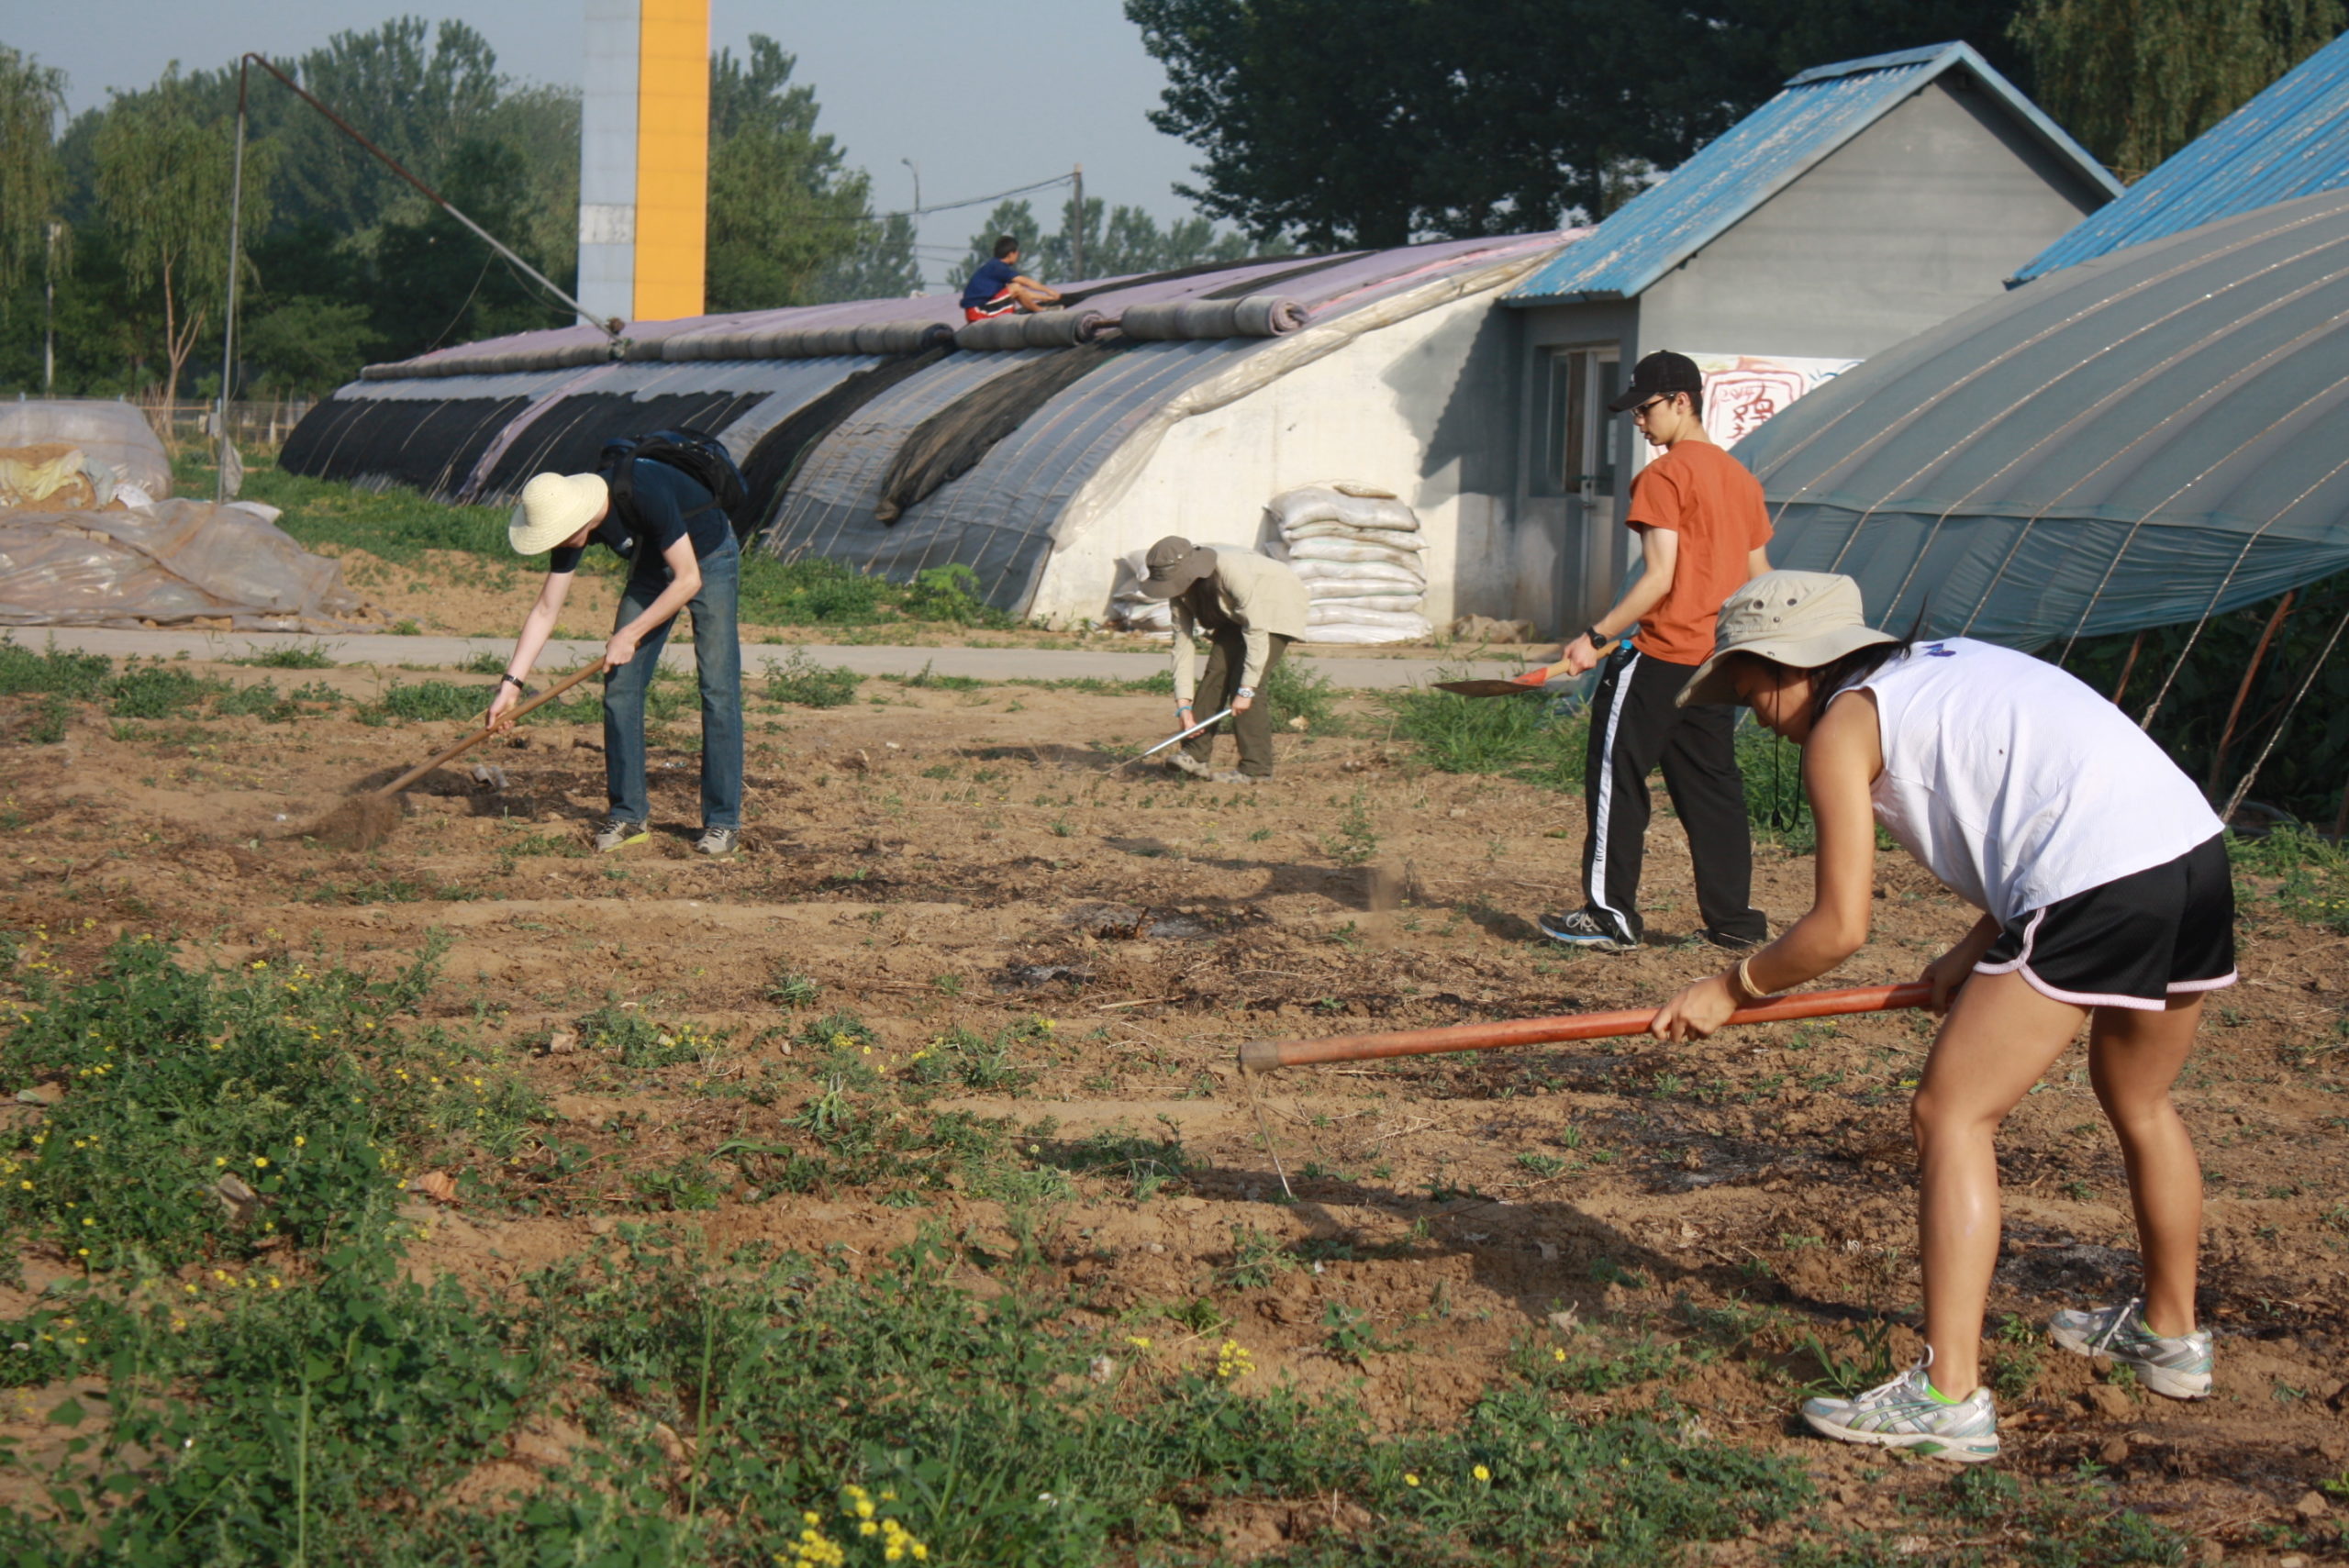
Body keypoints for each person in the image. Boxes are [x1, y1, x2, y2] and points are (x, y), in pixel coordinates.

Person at [1652, 571, 2232, 1463]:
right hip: (2187, 852)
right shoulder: (1945, 666)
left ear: (1780, 666)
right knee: (2140, 1098)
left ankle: (1947, 1396)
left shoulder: (1842, 727)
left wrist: (1729, 988)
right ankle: (2171, 1334)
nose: (1750, 712)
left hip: (2097, 878)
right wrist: (1965, 957)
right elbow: (2037, 799)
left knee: (1949, 1112)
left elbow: (1838, 927)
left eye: (1742, 688)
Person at [1525, 350, 1772, 954]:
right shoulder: (1741, 480)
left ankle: (1611, 916)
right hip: (1713, 664)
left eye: (1645, 408)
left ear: (1681, 401)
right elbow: (1761, 576)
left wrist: (1596, 637)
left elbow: (1660, 577)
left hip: (1660, 656)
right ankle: (1735, 923)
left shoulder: (1663, 476)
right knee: (1714, 789)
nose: (1638, 422)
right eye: (1634, 411)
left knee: (1618, 778)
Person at [490, 460, 744, 855]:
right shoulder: (570, 525)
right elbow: (545, 609)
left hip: (708, 557)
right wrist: (511, 685)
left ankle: (723, 822)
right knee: (621, 688)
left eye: (557, 533)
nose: (555, 540)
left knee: (717, 688)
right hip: (651, 565)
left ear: (581, 516)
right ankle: (628, 816)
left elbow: (688, 579)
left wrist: (630, 633)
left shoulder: (642, 493)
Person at [1133, 535, 1309, 783]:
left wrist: (1246, 690)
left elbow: (1256, 630)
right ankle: (1195, 756)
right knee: (1216, 671)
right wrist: (1183, 705)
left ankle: (1256, 769)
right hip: (1235, 614)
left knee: (1244, 681)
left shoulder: (1230, 572)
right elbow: (1182, 645)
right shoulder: (1180, 592)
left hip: (1276, 604)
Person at [960, 236, 1062, 321]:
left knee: (1014, 289)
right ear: (1011, 254)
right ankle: (1041, 312)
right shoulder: (998, 267)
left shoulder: (993, 267)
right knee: (1016, 287)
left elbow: (1023, 294)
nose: (1018, 256)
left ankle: (1041, 309)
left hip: (974, 311)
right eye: (1017, 253)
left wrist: (1047, 298)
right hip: (979, 312)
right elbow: (1025, 282)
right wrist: (1048, 291)